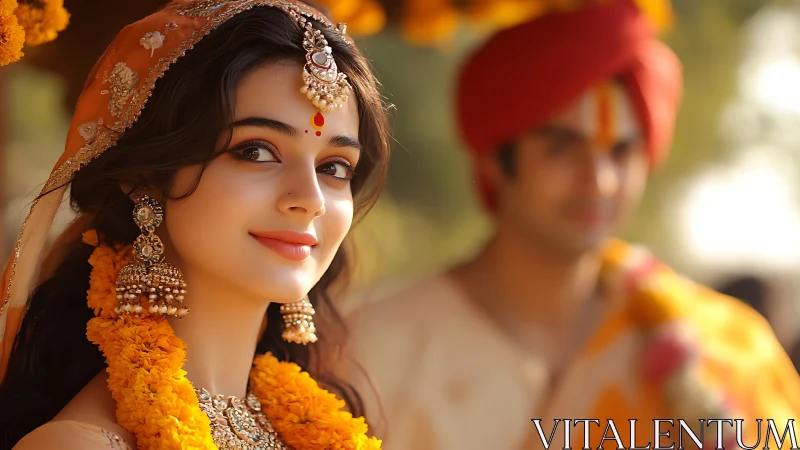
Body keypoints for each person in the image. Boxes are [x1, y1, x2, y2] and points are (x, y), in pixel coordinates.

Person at [340, 1, 800, 449]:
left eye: (621, 152)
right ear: (495, 161)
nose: (599, 180)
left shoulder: (730, 349)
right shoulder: (368, 353)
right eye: (561, 148)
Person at [0, 1, 390, 448]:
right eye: (256, 151)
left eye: (335, 167)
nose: (311, 200)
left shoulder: (315, 425)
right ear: (144, 175)